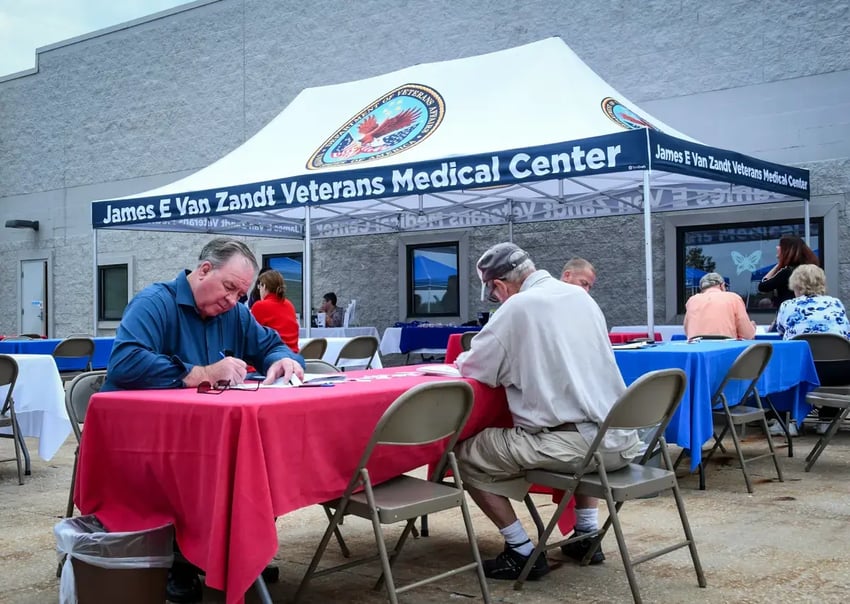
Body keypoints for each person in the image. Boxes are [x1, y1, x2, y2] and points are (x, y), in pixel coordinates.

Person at [102, 238, 305, 603]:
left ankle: (235, 549)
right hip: (141, 440)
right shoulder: (154, 303)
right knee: (221, 463)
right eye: (229, 288)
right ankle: (183, 559)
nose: (232, 301)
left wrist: (284, 361)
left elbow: (273, 344)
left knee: (262, 457)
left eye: (241, 295)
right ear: (204, 270)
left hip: (201, 435)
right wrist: (201, 372)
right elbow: (125, 363)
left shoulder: (235, 314)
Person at [454, 242, 640, 581]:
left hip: (580, 448)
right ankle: (585, 536)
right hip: (621, 439)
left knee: (464, 454)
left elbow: (476, 369)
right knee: (581, 423)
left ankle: (521, 551)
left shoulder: (518, 307)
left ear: (499, 285)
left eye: (494, 296)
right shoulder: (581, 297)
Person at [776, 265, 850, 340]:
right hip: (836, 350)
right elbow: (846, 332)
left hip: (798, 351)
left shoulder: (787, 305)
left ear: (797, 286)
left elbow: (781, 332)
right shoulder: (836, 303)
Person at [683, 272, 756, 340]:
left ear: (702, 289)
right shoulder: (733, 298)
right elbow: (747, 335)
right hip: (726, 350)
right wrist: (752, 328)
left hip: (697, 349)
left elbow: (688, 331)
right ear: (722, 285)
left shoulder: (692, 301)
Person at [757, 235, 819, 308]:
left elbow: (762, 286)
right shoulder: (811, 270)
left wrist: (778, 265)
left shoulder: (787, 272)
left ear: (787, 250)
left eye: (780, 245)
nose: (777, 247)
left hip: (788, 312)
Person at [250, 269, 300, 353]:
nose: (259, 290)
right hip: (293, 355)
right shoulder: (289, 304)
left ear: (264, 286)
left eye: (259, 286)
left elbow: (251, 336)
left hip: (273, 356)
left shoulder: (260, 306)